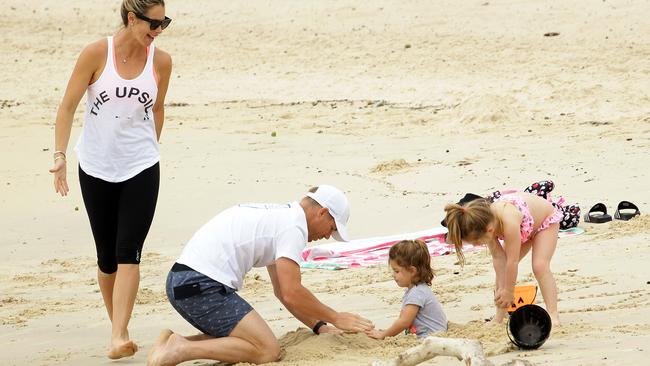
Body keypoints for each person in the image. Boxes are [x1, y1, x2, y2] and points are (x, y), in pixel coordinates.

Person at [48, 0, 172, 359]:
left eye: (164, 22)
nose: (158, 30)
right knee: (106, 258)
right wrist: (59, 156)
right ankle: (119, 326)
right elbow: (68, 105)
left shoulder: (161, 61)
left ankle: (118, 335)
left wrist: (150, 147)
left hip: (142, 167)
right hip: (96, 166)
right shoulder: (95, 53)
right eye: (153, 23)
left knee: (128, 252)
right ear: (132, 18)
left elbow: (158, 107)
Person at [147, 185, 375, 366]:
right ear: (322, 212)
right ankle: (180, 349)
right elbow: (292, 292)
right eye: (332, 227)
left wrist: (319, 326)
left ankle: (173, 342)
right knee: (267, 350)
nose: (327, 235)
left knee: (252, 341)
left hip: (183, 281)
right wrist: (336, 317)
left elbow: (282, 292)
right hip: (200, 285)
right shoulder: (293, 228)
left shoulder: (281, 217)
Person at [444, 190, 563, 326]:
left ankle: (553, 314)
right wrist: (503, 290)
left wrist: (509, 291)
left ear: (489, 230)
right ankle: (499, 317)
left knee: (539, 266)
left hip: (544, 222)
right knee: (503, 272)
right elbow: (499, 259)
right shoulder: (483, 221)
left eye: (478, 242)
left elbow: (512, 262)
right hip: (525, 226)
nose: (478, 245)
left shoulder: (508, 221)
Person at [366, 240, 447, 340]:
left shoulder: (417, 293)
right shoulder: (415, 289)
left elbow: (404, 322)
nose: (393, 275)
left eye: (396, 271)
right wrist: (388, 331)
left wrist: (384, 335)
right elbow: (402, 318)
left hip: (431, 337)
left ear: (412, 271)